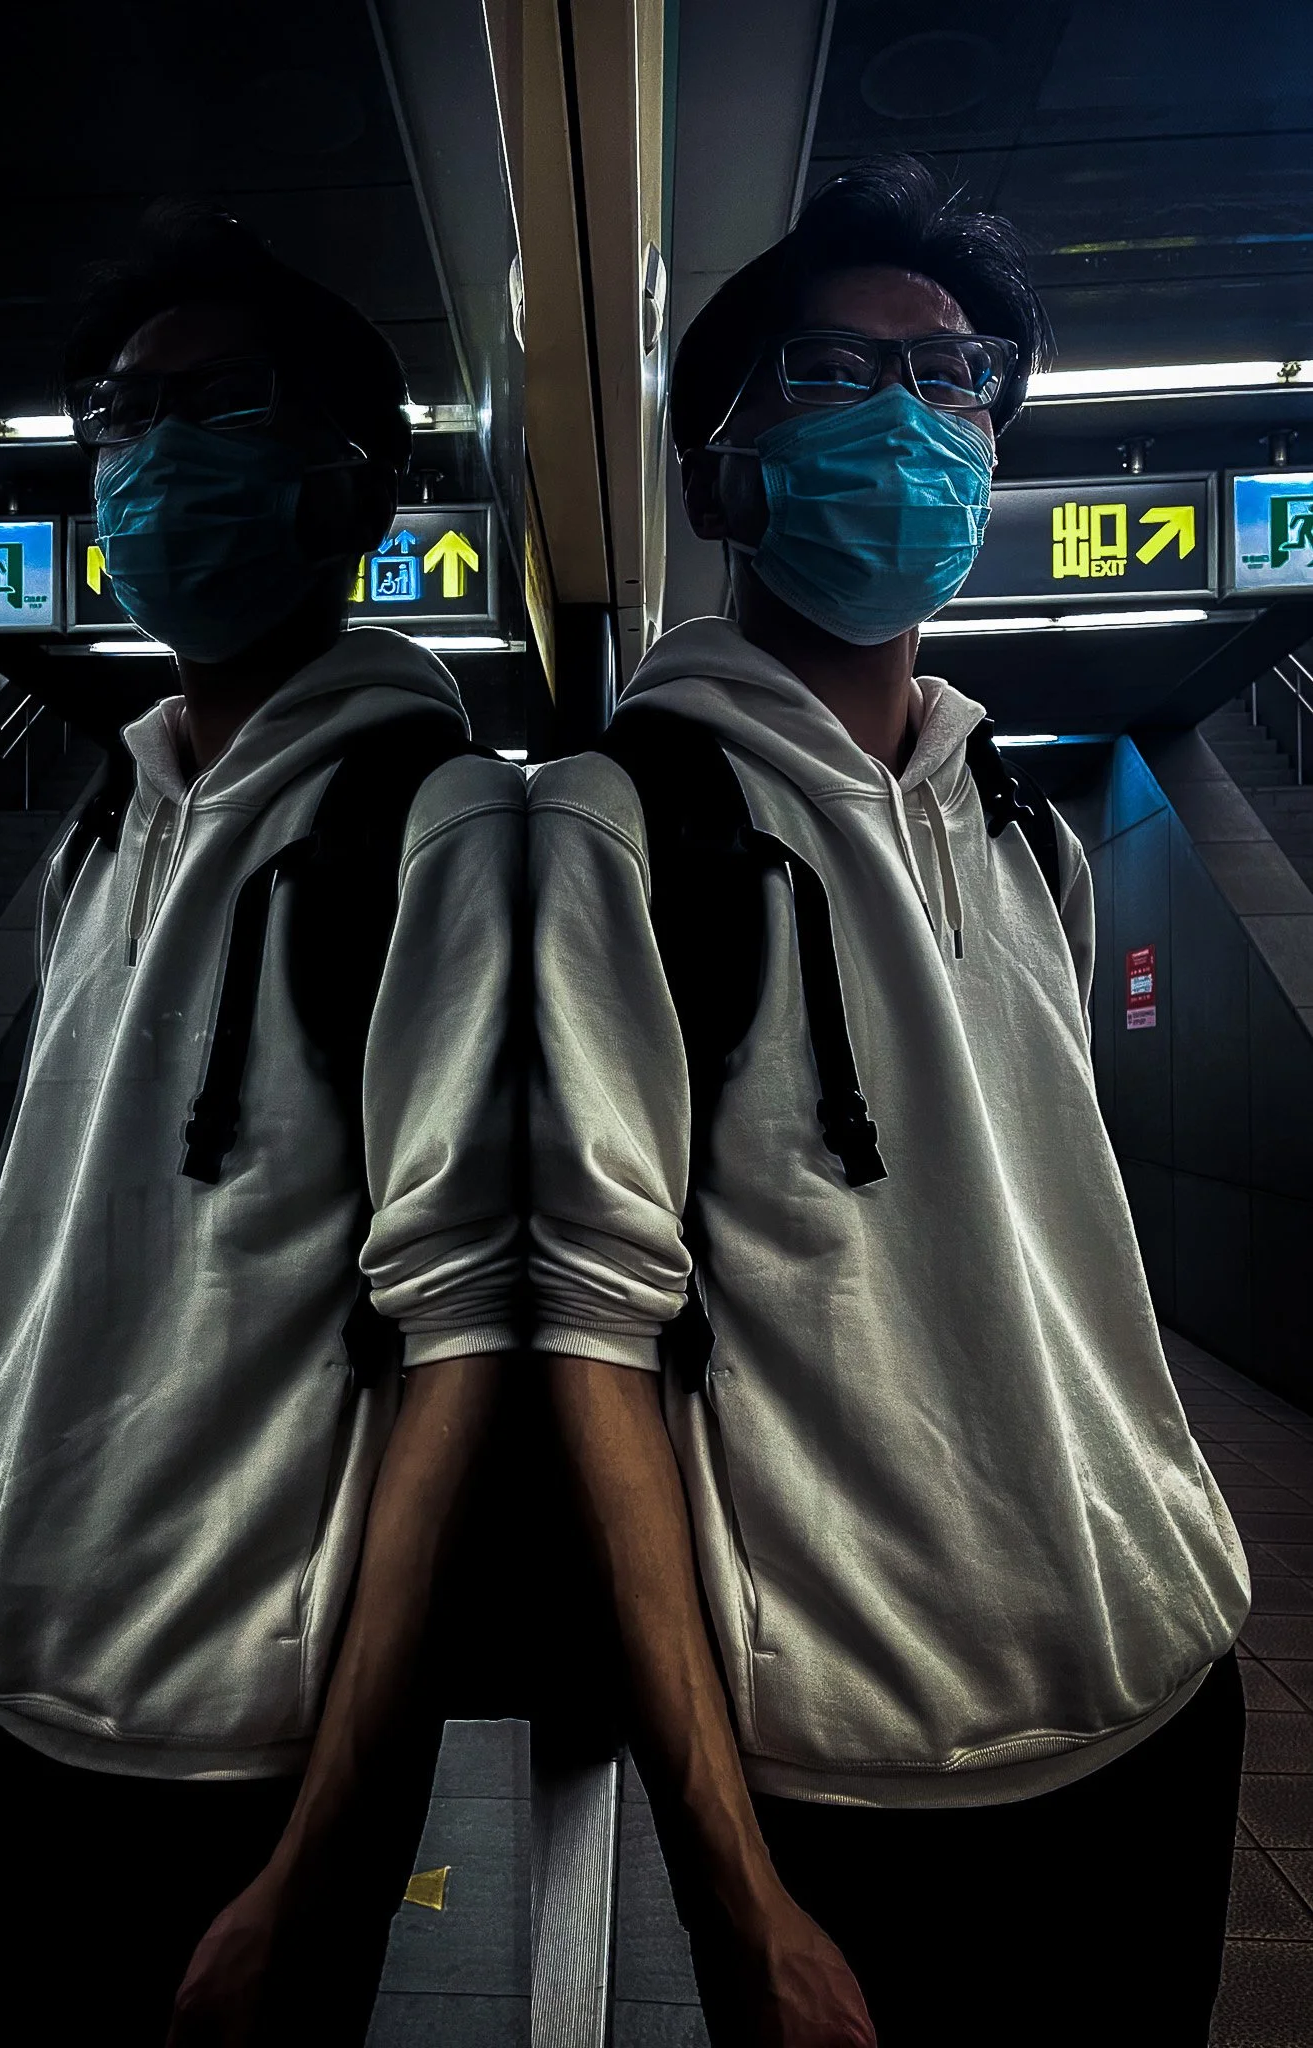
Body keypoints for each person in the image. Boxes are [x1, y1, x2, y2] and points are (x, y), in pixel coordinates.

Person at [528, 155, 1250, 2048]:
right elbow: (582, 1352)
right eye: (835, 377)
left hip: (1159, 1684)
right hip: (855, 1776)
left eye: (951, 386)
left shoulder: (1018, 827)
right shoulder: (614, 836)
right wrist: (727, 1874)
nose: (913, 422)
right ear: (720, 470)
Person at [0, 204, 524, 2048]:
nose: (151, 453)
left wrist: (328, 1840)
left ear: (354, 486)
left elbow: (456, 1353)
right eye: (120, 417)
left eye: (216, 405)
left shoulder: (444, 828)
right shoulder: (110, 813)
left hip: (220, 1748)